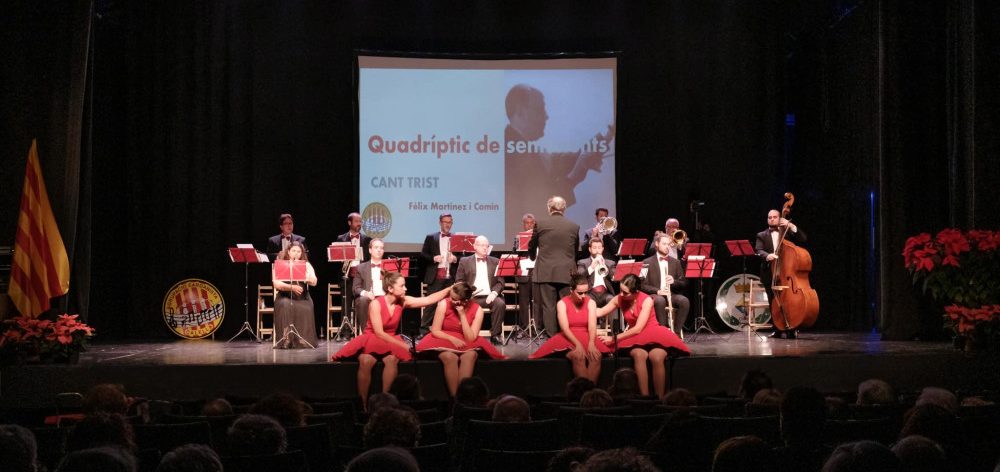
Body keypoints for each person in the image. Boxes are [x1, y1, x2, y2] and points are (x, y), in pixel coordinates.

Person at [503, 83, 614, 241]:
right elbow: (540, 203)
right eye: (540, 109)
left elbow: (575, 157)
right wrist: (573, 177)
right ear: (521, 111)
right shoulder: (513, 154)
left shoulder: (524, 148)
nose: (546, 116)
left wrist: (609, 134)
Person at [332, 271, 451, 410]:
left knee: (391, 360)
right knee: (366, 360)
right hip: (374, 337)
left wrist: (449, 289)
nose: (405, 288)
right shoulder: (376, 304)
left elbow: (428, 299)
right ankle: (362, 405)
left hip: (390, 338)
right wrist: (402, 345)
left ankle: (386, 401)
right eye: (402, 286)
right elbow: (379, 333)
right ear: (390, 288)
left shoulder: (403, 301)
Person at [595, 274, 691, 398]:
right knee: (639, 355)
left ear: (636, 292)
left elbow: (638, 328)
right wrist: (587, 306)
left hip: (652, 333)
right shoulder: (619, 298)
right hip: (635, 336)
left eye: (625, 292)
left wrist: (614, 338)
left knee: (656, 357)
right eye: (620, 290)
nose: (621, 294)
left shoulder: (646, 300)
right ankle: (644, 398)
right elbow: (600, 312)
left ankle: (659, 399)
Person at [416, 281, 507, 397]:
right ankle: (455, 398)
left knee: (470, 355)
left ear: (465, 301)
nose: (451, 300)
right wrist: (452, 339)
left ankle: (464, 396)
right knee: (450, 357)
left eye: (454, 299)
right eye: (451, 297)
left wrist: (462, 315)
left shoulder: (477, 310)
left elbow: (470, 338)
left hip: (466, 339)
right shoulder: (444, 304)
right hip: (444, 337)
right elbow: (435, 330)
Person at [529, 273, 611, 383]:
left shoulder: (591, 302)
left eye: (586, 292)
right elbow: (565, 328)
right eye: (580, 293)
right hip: (568, 337)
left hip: (586, 336)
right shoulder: (562, 303)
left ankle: (590, 391)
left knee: (596, 357)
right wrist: (578, 345)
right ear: (571, 290)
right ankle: (583, 391)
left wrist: (591, 343)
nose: (583, 296)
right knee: (578, 356)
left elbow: (592, 326)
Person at [529, 196, 581, 335]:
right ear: (564, 209)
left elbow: (532, 245)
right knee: (566, 305)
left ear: (549, 208)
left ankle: (552, 338)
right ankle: (567, 335)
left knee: (548, 306)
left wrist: (532, 257)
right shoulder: (574, 226)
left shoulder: (540, 224)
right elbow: (575, 250)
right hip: (567, 272)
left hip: (546, 271)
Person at [755, 209, 807, 339]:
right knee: (773, 301)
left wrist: (791, 226)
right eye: (769, 217)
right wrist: (768, 256)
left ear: (780, 218)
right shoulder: (761, 235)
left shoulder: (786, 232)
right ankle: (777, 329)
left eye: (774, 217)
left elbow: (803, 239)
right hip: (769, 273)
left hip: (787, 272)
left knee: (789, 301)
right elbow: (759, 250)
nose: (772, 219)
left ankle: (792, 328)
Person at [454, 235, 507, 342]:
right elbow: (459, 281)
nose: (485, 248)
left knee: (500, 304)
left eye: (487, 246)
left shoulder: (495, 261)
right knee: (461, 304)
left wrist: (494, 293)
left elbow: (501, 282)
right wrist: (467, 293)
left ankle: (495, 335)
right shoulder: (465, 261)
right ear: (475, 246)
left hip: (490, 296)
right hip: (472, 297)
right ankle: (465, 333)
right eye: (482, 245)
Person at [640, 233, 690, 336]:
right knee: (660, 300)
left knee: (684, 301)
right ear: (657, 244)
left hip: (671, 294)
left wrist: (674, 281)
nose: (667, 247)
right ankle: (662, 333)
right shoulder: (646, 262)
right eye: (664, 244)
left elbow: (684, 283)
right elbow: (642, 285)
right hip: (655, 295)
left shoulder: (676, 262)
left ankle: (676, 334)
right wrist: (657, 291)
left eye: (668, 244)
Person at [271, 241, 318, 348]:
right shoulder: (280, 264)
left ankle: (302, 340)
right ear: (288, 251)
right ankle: (286, 340)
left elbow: (314, 281)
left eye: (298, 251)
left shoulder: (306, 264)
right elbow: (276, 283)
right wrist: (291, 287)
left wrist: (306, 277)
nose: (296, 253)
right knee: (285, 304)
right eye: (293, 251)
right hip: (285, 296)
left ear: (302, 253)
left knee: (307, 307)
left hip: (302, 297)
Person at [419, 213, 458, 335]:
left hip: (451, 276)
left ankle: (449, 329)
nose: (447, 224)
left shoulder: (456, 238)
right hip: (436, 275)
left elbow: (463, 256)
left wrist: (455, 259)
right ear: (440, 222)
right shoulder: (431, 237)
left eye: (450, 222)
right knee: (431, 303)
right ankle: (424, 330)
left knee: (451, 303)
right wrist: (433, 258)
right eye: (445, 222)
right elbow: (423, 255)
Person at [337, 212, 373, 326]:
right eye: (356, 221)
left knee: (363, 303)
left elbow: (369, 259)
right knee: (346, 304)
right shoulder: (341, 238)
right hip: (347, 277)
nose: (359, 224)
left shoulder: (367, 239)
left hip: (362, 277)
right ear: (349, 223)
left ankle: (365, 329)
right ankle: (345, 331)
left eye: (360, 221)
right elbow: (337, 259)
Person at [578, 238, 617, 329]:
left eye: (599, 248)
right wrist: (592, 267)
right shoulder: (583, 262)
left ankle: (614, 333)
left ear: (602, 249)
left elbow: (614, 278)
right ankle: (587, 331)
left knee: (612, 300)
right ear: (590, 249)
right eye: (594, 248)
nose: (597, 250)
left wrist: (604, 265)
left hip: (605, 294)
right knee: (587, 300)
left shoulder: (610, 263)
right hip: (590, 293)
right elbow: (579, 277)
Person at [513, 213, 540, 335]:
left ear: (535, 224)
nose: (529, 225)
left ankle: (537, 328)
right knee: (524, 302)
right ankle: (523, 328)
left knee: (537, 302)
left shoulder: (540, 237)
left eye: (531, 223)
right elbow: (515, 253)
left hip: (537, 272)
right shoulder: (518, 237)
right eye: (527, 223)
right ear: (523, 224)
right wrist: (521, 243)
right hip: (524, 273)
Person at [352, 238, 387, 330]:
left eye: (381, 248)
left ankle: (389, 332)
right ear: (370, 250)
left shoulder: (388, 266)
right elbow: (356, 288)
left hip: (385, 297)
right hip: (369, 297)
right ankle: (366, 332)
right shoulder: (361, 267)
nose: (379, 250)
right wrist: (366, 293)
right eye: (376, 247)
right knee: (362, 300)